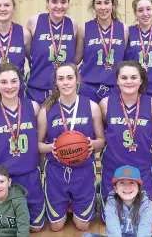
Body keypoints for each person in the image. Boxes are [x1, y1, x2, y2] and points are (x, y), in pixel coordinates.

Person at [37, 62, 105, 231]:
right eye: (61, 78)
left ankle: (86, 198)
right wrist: (52, 148)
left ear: (77, 80)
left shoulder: (92, 106)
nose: (66, 82)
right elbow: (38, 145)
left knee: (82, 226)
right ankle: (66, 201)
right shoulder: (46, 110)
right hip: (56, 171)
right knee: (56, 227)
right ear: (56, 82)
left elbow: (101, 140)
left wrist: (91, 144)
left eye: (69, 78)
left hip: (83, 171)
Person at [0, 63, 45, 231]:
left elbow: (40, 140)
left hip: (30, 176)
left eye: (14, 81)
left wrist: (42, 167)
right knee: (6, 228)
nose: (9, 86)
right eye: (4, 82)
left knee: (36, 227)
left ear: (21, 82)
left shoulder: (34, 107)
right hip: (3, 181)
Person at [99, 61, 152, 220]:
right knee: (109, 219)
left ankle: (151, 183)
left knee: (147, 220)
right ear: (117, 80)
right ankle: (100, 190)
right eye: (124, 77)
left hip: (141, 169)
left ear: (141, 80)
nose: (129, 81)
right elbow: (101, 136)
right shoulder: (105, 104)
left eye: (134, 77)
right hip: (113, 169)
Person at [124, 0, 152, 200]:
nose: (144, 13)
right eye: (140, 10)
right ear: (135, 13)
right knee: (132, 136)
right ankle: (125, 178)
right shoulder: (128, 33)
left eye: (148, 9)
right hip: (133, 93)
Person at [82, 165, 152, 237]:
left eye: (132, 182)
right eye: (122, 182)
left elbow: (144, 233)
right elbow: (114, 232)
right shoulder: (111, 202)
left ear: (139, 187)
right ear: (115, 188)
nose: (127, 187)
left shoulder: (146, 203)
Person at [26, 0, 77, 105]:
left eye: (63, 2)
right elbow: (29, 52)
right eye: (54, 2)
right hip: (37, 89)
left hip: (63, 90)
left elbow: (75, 58)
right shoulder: (35, 22)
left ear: (68, 4)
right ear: (47, 3)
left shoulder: (73, 25)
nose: (59, 6)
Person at [75, 0, 129, 104]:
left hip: (114, 87)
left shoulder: (123, 29)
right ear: (94, 6)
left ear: (112, 5)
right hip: (88, 86)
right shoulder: (84, 29)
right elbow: (77, 58)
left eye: (106, 3)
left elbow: (122, 57)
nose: (103, 7)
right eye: (99, 3)